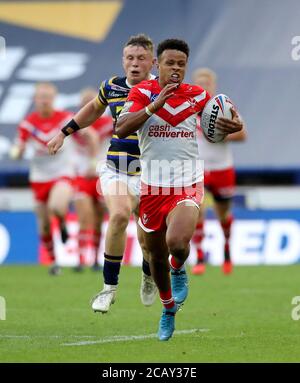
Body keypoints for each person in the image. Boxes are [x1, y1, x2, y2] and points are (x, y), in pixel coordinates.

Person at [116, 39, 244, 341]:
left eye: (181, 64)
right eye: (170, 63)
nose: (176, 69)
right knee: (154, 257)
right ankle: (168, 307)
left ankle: (179, 268)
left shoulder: (198, 95)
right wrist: (154, 105)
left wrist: (233, 125)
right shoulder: (141, 93)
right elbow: (121, 128)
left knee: (176, 244)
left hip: (187, 183)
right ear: (158, 65)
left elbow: (226, 122)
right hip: (151, 186)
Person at [47, 34, 158, 310]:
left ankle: (148, 274)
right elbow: (94, 109)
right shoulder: (112, 86)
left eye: (141, 58)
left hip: (152, 173)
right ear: (123, 60)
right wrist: (64, 133)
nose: (134, 64)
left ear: (153, 62)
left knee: (148, 240)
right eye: (129, 58)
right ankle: (108, 289)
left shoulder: (161, 89)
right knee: (119, 215)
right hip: (117, 169)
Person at [10, 82, 75, 275]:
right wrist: (19, 151)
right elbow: (18, 149)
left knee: (57, 206)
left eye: (48, 97)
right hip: (39, 177)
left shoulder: (65, 118)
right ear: (35, 99)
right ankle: (54, 263)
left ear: (54, 99)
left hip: (62, 172)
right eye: (41, 97)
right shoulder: (28, 123)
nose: (45, 101)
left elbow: (86, 133)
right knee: (44, 224)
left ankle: (62, 222)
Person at [191, 68, 247, 275]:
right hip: (198, 168)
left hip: (223, 168)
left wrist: (222, 135)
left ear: (213, 86)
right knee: (196, 212)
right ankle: (199, 257)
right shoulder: (186, 110)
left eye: (207, 83)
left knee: (223, 215)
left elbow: (242, 135)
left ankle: (226, 250)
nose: (203, 87)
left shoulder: (224, 108)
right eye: (200, 83)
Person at [72, 88, 113, 272]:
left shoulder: (107, 123)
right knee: (84, 216)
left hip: (101, 176)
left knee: (98, 219)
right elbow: (91, 140)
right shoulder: (77, 124)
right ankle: (81, 259)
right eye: (85, 102)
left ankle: (95, 259)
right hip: (82, 176)